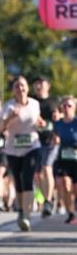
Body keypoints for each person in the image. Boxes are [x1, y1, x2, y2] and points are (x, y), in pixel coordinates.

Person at [0, 76, 43, 231]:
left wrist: (41, 123)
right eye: (17, 86)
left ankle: (27, 216)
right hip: (13, 150)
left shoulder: (35, 104)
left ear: (27, 88)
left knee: (27, 177)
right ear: (13, 90)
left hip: (32, 146)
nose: (20, 89)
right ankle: (21, 211)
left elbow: (38, 120)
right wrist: (10, 118)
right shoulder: (8, 106)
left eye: (22, 85)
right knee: (18, 180)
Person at [32, 76, 60, 217]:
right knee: (38, 175)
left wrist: (57, 119)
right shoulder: (31, 101)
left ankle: (47, 201)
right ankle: (48, 198)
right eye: (36, 83)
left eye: (41, 83)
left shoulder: (55, 101)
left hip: (51, 140)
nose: (39, 86)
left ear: (48, 85)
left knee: (46, 167)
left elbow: (62, 117)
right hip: (35, 141)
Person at [52, 95, 77, 224]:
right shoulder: (58, 124)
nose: (66, 108)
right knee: (65, 184)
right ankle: (70, 213)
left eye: (69, 106)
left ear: (74, 108)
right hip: (64, 158)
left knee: (75, 188)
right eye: (64, 106)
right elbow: (54, 139)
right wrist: (55, 141)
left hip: (76, 157)